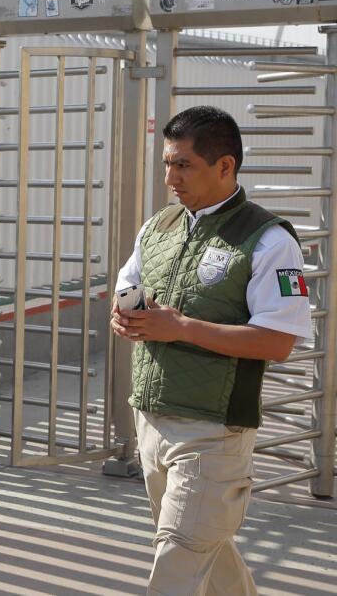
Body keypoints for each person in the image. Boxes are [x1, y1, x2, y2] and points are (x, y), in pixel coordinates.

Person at [111, 106, 313, 595]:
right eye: (167, 163)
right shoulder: (157, 227)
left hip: (213, 432)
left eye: (183, 165)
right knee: (205, 550)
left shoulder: (269, 240)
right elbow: (127, 289)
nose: (170, 178)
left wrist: (179, 327)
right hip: (151, 421)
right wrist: (125, 316)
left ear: (225, 166)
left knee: (178, 562)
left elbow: (278, 341)